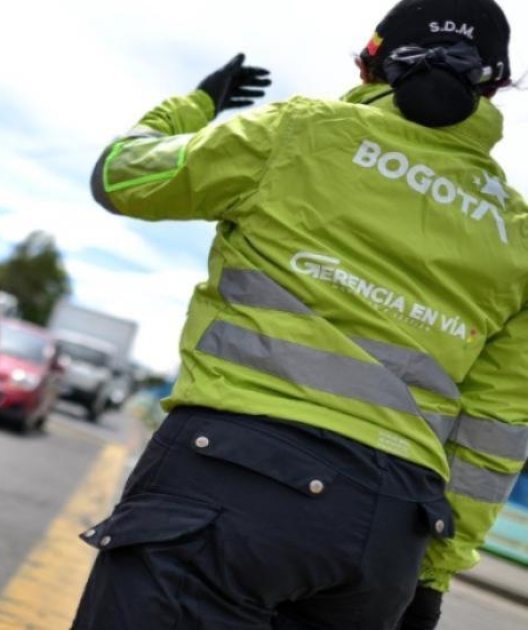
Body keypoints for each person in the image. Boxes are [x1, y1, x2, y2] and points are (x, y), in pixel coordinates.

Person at [71, 0, 526, 628]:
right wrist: (431, 574)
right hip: (386, 534)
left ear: (372, 67)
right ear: (494, 87)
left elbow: (122, 177)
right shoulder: (517, 233)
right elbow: (496, 431)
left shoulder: (300, 131)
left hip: (224, 481)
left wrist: (196, 104)